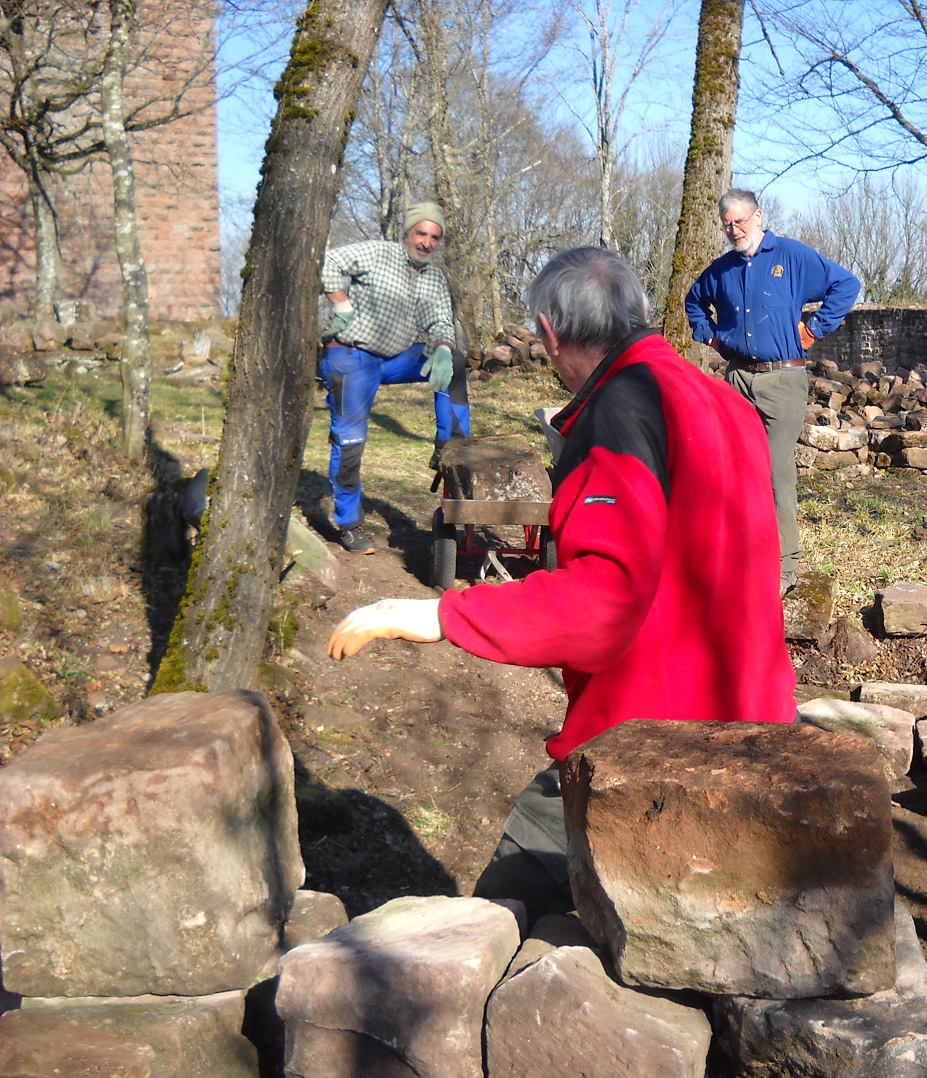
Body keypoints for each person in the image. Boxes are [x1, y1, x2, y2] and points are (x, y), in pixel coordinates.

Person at [327, 246, 797, 916]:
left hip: (649, 744)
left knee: (501, 914)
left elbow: (603, 600)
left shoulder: (621, 411)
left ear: (549, 334)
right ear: (636, 311)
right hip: (754, 719)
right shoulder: (721, 400)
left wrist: (442, 615)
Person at [685, 188, 860, 594]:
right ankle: (737, 554)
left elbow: (846, 285)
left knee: (775, 472)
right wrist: (711, 337)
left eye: (739, 221)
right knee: (732, 469)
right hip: (738, 380)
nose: (733, 229)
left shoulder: (791, 256)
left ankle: (784, 566)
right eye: (727, 224)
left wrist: (813, 330)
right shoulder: (722, 270)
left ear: (759, 216)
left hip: (782, 380)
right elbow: (694, 303)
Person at [319, 201, 471, 555]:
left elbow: (441, 321)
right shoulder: (378, 254)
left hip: (394, 359)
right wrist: (341, 303)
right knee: (350, 440)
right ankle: (348, 524)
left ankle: (449, 446)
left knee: (455, 362)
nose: (427, 243)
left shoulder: (433, 278)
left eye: (435, 238)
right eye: (421, 234)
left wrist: (443, 347)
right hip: (352, 357)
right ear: (407, 233)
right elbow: (329, 261)